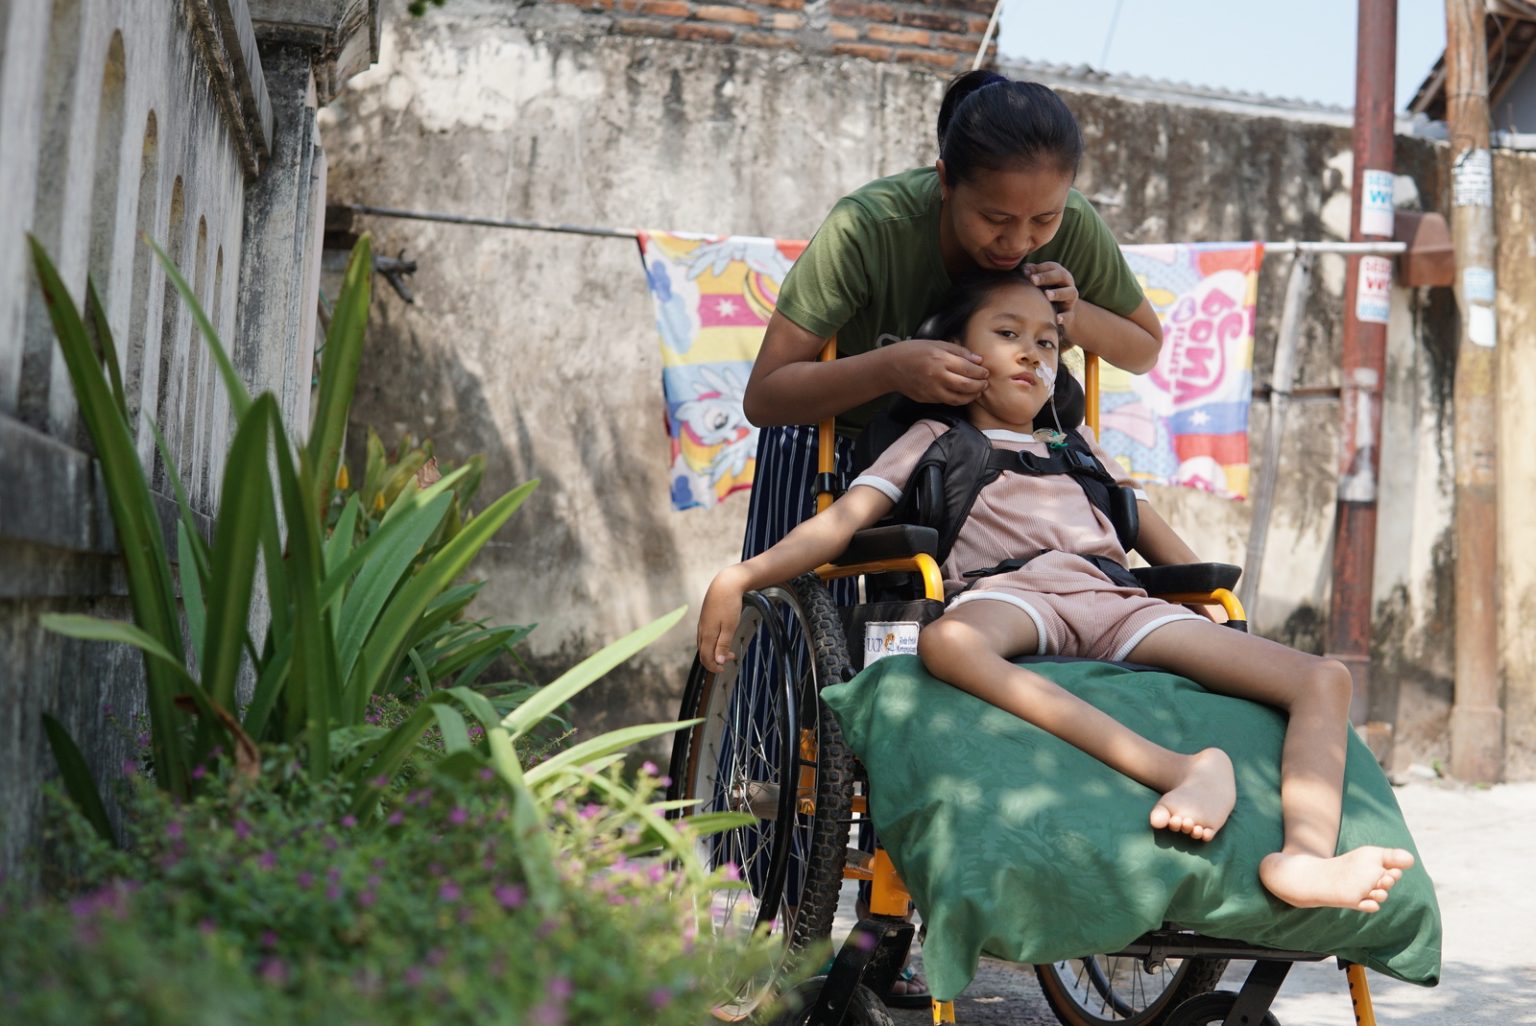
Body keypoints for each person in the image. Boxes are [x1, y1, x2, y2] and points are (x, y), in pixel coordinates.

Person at [700, 273, 1416, 914]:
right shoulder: (928, 437)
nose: (1032, 353)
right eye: (1007, 335)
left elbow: (1170, 551)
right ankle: (1184, 768)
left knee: (1321, 676)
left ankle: (1305, 860)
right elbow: (839, 527)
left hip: (1116, 600)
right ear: (953, 353)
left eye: (1047, 343)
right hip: (1011, 593)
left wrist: (1232, 635)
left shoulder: (1082, 448)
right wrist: (742, 575)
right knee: (949, 641)